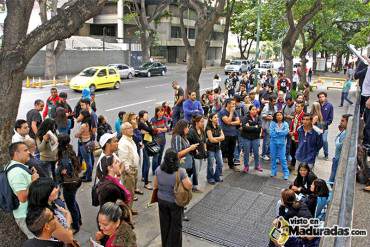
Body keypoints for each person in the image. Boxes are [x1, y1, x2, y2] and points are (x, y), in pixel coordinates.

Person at [153, 148, 192, 247]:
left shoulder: (158, 169)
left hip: (161, 201)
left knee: (164, 224)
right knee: (176, 226)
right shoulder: (181, 172)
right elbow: (189, 185)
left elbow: (155, 185)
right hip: (175, 202)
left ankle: (165, 244)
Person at [7, 142, 39, 239]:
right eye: (25, 150)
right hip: (26, 215)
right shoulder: (16, 173)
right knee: (38, 242)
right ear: (16, 154)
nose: (28, 152)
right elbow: (22, 197)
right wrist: (33, 181)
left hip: (29, 212)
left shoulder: (16, 166)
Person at [27, 178, 74, 243]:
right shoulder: (47, 216)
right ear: (44, 195)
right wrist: (68, 219)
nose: (57, 189)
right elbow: (69, 238)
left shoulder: (47, 205)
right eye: (52, 189)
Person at [56, 134, 82, 233]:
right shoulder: (70, 150)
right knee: (73, 201)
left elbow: (67, 167)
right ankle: (78, 220)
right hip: (75, 181)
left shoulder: (64, 154)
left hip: (69, 183)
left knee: (71, 204)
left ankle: (76, 225)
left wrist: (63, 171)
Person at [118, 122, 142, 212]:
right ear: (124, 131)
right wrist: (129, 171)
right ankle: (127, 214)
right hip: (129, 171)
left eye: (131, 127)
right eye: (129, 128)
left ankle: (129, 210)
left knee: (131, 193)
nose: (132, 129)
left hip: (134, 169)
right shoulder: (123, 142)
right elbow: (123, 160)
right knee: (129, 193)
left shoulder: (130, 139)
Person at [171, 120, 199, 190]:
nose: (188, 129)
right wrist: (190, 148)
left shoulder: (183, 136)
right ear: (182, 128)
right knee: (181, 186)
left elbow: (185, 148)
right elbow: (178, 154)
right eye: (187, 127)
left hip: (186, 165)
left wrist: (192, 148)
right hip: (181, 165)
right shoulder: (177, 137)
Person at [219, 98, 241, 171]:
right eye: (232, 104)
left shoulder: (234, 111)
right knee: (224, 149)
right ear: (228, 104)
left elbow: (238, 122)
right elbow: (227, 121)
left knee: (231, 150)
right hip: (225, 134)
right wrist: (231, 113)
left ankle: (231, 165)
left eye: (234, 104)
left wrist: (231, 123)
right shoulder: (222, 112)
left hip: (233, 133)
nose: (234, 105)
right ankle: (219, 164)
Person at [240, 105, 262, 173]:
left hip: (255, 138)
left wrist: (250, 126)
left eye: (255, 109)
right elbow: (244, 127)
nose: (254, 111)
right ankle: (246, 166)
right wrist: (255, 126)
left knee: (256, 152)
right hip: (246, 138)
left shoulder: (258, 117)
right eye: (252, 109)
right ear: (249, 110)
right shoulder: (245, 118)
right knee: (246, 153)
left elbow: (259, 128)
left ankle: (257, 165)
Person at [329, 114, 351, 183]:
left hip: (338, 159)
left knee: (332, 179)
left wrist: (338, 139)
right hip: (337, 158)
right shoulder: (344, 131)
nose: (340, 122)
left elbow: (338, 145)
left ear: (348, 122)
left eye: (342, 121)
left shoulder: (345, 133)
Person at [187, 115, 207, 192]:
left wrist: (205, 150)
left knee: (197, 171)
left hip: (201, 154)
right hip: (194, 155)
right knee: (195, 172)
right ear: (196, 122)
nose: (203, 123)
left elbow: (204, 141)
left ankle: (192, 186)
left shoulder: (202, 130)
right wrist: (194, 149)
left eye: (203, 121)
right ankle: (193, 187)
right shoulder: (191, 131)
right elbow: (188, 143)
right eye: (201, 122)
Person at [138, 110, 155, 190]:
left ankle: (144, 177)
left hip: (147, 143)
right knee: (147, 163)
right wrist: (148, 130)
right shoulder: (141, 123)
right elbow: (151, 130)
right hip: (145, 145)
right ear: (141, 117)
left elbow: (151, 130)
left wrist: (148, 129)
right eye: (146, 115)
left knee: (145, 161)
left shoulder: (145, 122)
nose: (147, 117)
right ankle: (146, 183)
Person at [269, 112, 290, 179]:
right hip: (273, 143)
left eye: (280, 115)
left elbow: (286, 132)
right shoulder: (272, 123)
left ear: (282, 116)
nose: (279, 116)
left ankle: (286, 173)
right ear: (275, 116)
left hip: (282, 144)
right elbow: (271, 133)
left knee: (282, 159)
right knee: (273, 157)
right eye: (277, 115)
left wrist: (277, 132)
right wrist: (281, 132)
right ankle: (273, 171)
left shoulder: (285, 123)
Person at [206, 113, 225, 184]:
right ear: (211, 119)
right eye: (215, 117)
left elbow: (223, 137)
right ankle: (210, 178)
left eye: (217, 117)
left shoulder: (218, 126)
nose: (217, 119)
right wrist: (218, 138)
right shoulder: (208, 128)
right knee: (210, 164)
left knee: (220, 163)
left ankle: (217, 176)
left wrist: (215, 138)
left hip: (217, 148)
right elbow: (211, 140)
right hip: (210, 148)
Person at [75, 110, 93, 182]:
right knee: (89, 160)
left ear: (83, 116)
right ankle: (88, 175)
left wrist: (76, 135)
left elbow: (78, 134)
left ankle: (88, 177)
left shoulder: (83, 125)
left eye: (80, 114)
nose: (79, 115)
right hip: (88, 141)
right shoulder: (88, 123)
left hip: (83, 144)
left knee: (87, 161)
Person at [151, 106, 169, 175]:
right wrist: (162, 129)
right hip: (155, 141)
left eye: (162, 111)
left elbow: (167, 128)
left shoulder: (165, 118)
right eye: (159, 111)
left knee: (160, 156)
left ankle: (158, 169)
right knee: (155, 157)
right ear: (156, 112)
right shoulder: (153, 120)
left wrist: (159, 129)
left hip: (163, 140)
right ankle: (154, 171)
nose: (161, 113)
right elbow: (153, 130)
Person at [317, 92, 334, 160]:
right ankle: (316, 152)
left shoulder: (329, 106)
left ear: (326, 97)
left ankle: (326, 154)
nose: (321, 98)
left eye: (323, 96)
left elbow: (330, 119)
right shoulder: (316, 104)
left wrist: (325, 123)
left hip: (325, 127)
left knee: (324, 140)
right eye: (320, 97)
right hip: (316, 126)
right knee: (317, 140)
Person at [289, 101, 305, 170]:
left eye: (298, 106)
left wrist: (294, 133)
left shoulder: (303, 116)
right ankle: (292, 164)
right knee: (292, 151)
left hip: (299, 138)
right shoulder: (295, 114)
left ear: (302, 107)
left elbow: (302, 129)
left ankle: (298, 167)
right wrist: (290, 130)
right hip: (292, 136)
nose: (296, 108)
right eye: (296, 106)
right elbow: (292, 124)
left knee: (297, 153)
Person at [261, 95, 276, 161]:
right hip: (266, 126)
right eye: (273, 101)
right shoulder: (266, 107)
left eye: (275, 101)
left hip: (272, 127)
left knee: (270, 141)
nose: (274, 102)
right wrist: (270, 117)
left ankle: (268, 153)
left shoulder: (274, 107)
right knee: (266, 142)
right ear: (270, 101)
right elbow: (263, 116)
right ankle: (263, 154)